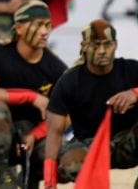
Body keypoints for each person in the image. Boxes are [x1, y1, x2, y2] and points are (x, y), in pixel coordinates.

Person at [0, 0, 67, 188]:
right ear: (19, 28)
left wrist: (35, 134)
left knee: (66, 155)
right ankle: (4, 177)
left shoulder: (56, 67)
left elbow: (68, 115)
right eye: (39, 25)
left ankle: (33, 177)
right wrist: (31, 97)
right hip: (3, 133)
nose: (45, 31)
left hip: (37, 137)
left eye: (48, 25)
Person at [43, 19, 138, 187]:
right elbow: (54, 132)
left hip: (128, 142)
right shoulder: (69, 81)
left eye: (107, 44)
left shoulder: (131, 69)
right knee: (71, 163)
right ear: (84, 46)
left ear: (115, 45)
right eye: (95, 45)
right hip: (89, 145)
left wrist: (135, 93)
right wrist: (50, 177)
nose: (102, 51)